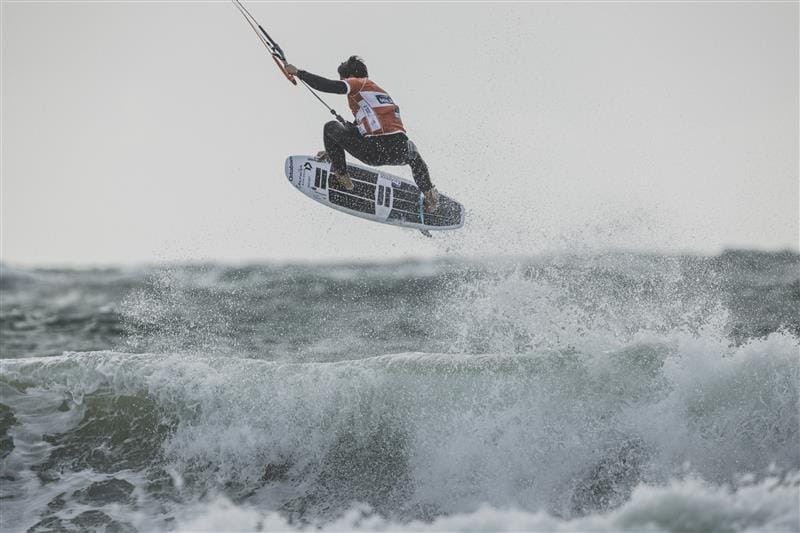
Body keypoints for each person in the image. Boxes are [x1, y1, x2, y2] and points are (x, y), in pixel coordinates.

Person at [285, 56, 438, 211]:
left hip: (373, 151)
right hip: (397, 149)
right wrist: (333, 150)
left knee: (330, 127)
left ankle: (342, 177)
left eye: (342, 78)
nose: (343, 82)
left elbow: (331, 86)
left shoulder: (359, 83)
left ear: (350, 76)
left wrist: (299, 73)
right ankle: (430, 194)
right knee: (412, 154)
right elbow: (366, 130)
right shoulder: (378, 95)